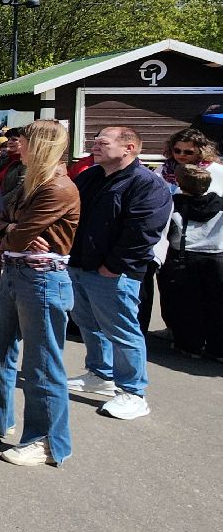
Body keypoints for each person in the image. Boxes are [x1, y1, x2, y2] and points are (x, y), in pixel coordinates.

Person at [0, 119, 80, 467]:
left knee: (42, 366)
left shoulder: (59, 188)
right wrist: (13, 228)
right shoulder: (27, 182)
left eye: (23, 140)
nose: (16, 145)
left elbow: (14, 234)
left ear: (42, 146)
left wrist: (12, 229)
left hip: (43, 281)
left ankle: (47, 441)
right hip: (13, 274)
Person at [66, 127, 173, 421]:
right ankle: (100, 374)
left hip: (114, 273)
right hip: (80, 264)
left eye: (103, 142)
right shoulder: (90, 176)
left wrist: (113, 267)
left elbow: (143, 231)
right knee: (89, 322)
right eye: (95, 141)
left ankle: (133, 392)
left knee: (122, 330)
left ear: (129, 148)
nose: (94, 146)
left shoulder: (147, 185)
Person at [159, 164, 223, 358]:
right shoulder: (219, 203)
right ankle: (218, 348)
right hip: (217, 255)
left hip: (184, 256)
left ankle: (189, 345)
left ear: (178, 182)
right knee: (217, 303)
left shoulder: (173, 203)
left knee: (186, 304)